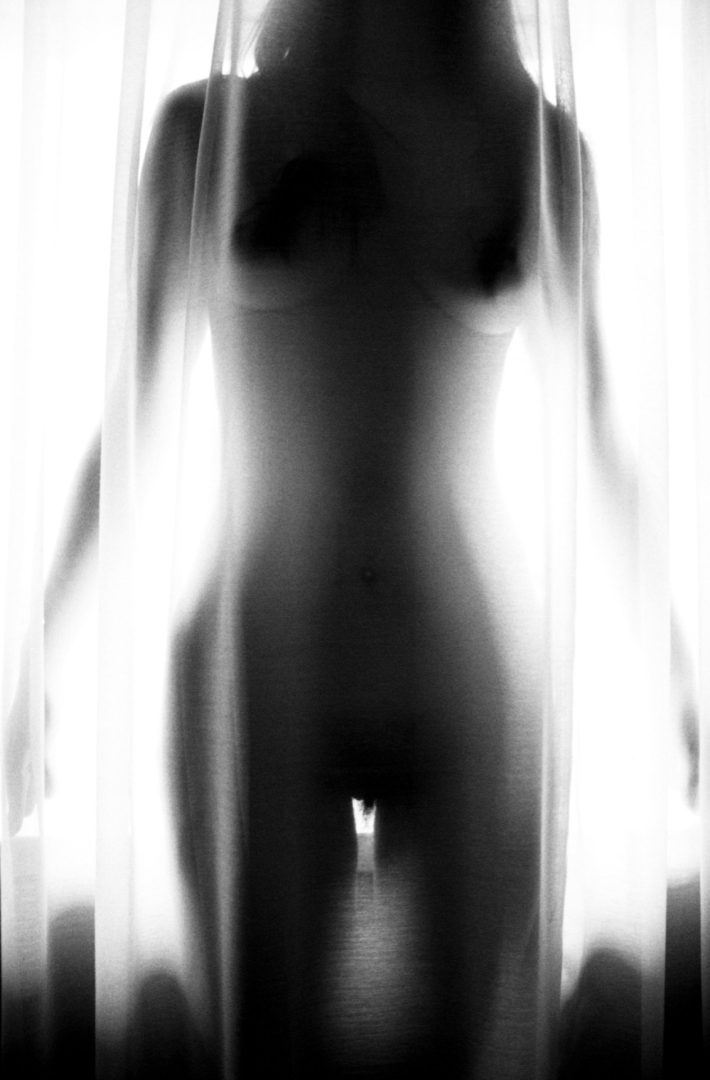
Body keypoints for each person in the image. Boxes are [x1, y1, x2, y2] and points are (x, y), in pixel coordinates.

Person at [6, 1, 682, 1077]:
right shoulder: (203, 131)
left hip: (467, 656)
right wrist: (39, 659)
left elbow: (598, 431)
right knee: (265, 1049)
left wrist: (679, 673)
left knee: (468, 1051)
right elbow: (129, 420)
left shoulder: (537, 144)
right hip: (261, 656)